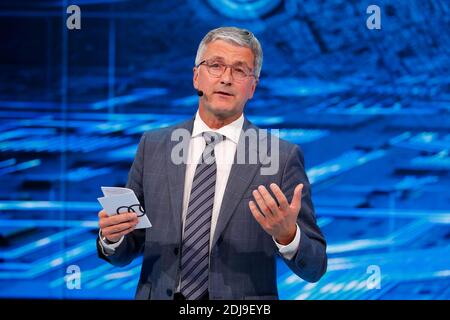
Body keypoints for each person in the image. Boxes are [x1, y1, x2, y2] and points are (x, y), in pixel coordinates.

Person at [97, 26, 327, 300]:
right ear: (197, 77)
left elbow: (315, 268)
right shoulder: (154, 145)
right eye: (216, 66)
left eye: (240, 70)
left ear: (252, 87)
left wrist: (289, 236)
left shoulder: (280, 157)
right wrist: (113, 237)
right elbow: (127, 248)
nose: (226, 78)